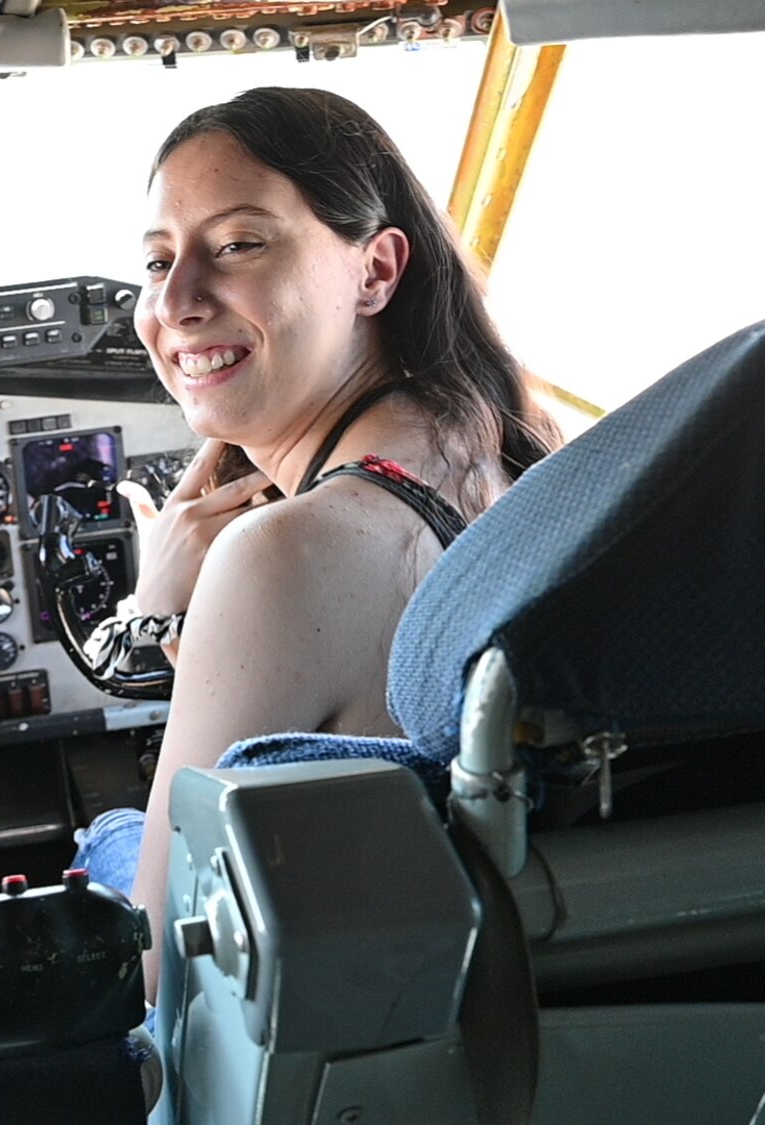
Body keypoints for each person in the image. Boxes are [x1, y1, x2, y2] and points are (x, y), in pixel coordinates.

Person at [78, 87, 560, 994]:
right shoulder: (492, 439)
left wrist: (154, 612)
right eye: (155, 262)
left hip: (348, 1026)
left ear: (375, 271)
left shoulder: (281, 556)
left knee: (99, 842)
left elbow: (148, 962)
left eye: (238, 245)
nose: (176, 302)